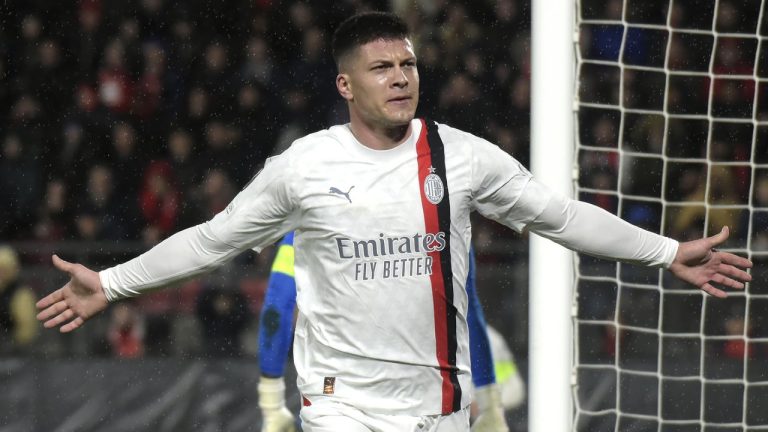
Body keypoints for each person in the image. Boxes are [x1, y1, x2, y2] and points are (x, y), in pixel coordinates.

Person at [37, 12, 752, 432]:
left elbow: (558, 217)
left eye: (408, 63)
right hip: (340, 408)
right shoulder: (304, 167)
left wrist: (666, 252)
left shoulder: (461, 156)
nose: (402, 77)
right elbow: (214, 238)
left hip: (441, 407)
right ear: (347, 85)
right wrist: (114, 282)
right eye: (382, 67)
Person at [256, 233, 509, 432]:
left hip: (341, 397)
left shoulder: (310, 217)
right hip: (421, 397)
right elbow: (468, 314)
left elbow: (277, 306)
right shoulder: (447, 213)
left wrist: (271, 403)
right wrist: (490, 406)